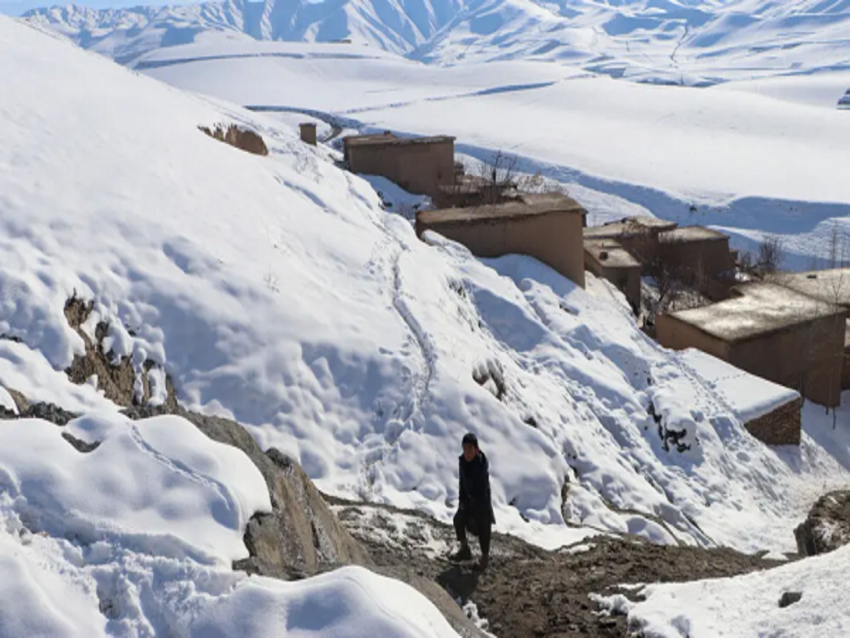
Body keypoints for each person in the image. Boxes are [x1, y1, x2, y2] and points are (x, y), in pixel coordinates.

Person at [450, 432, 494, 571]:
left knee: (483, 527)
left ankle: (484, 557)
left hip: (482, 505)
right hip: (468, 503)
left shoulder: (481, 465)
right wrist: (462, 503)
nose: (467, 452)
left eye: (470, 449)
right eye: (465, 449)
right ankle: (464, 549)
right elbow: (462, 485)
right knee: (458, 519)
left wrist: (473, 508)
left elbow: (482, 492)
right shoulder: (462, 462)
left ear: (476, 449)